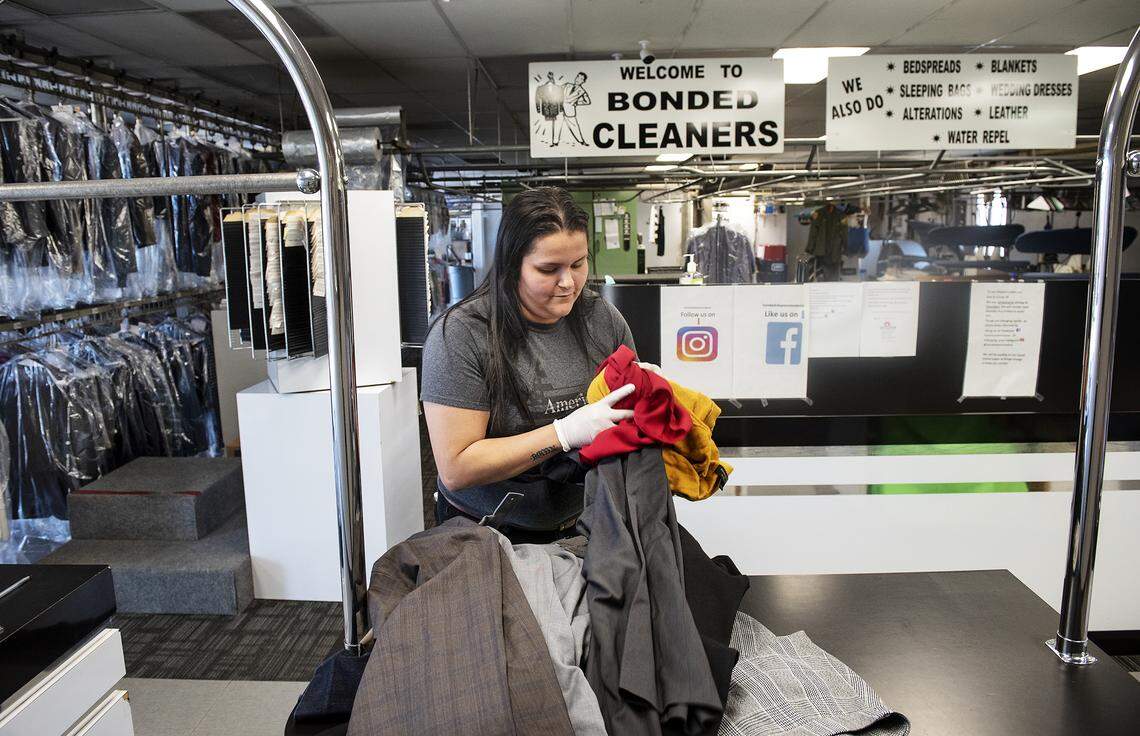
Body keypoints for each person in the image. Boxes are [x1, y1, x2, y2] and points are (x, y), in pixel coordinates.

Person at [421, 187, 640, 540]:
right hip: (488, 530)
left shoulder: (602, 319)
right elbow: (457, 468)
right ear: (512, 265)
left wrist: (649, 396)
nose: (569, 282)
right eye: (548, 269)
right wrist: (563, 434)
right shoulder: (462, 335)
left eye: (578, 264)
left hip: (584, 523)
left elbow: (627, 417)